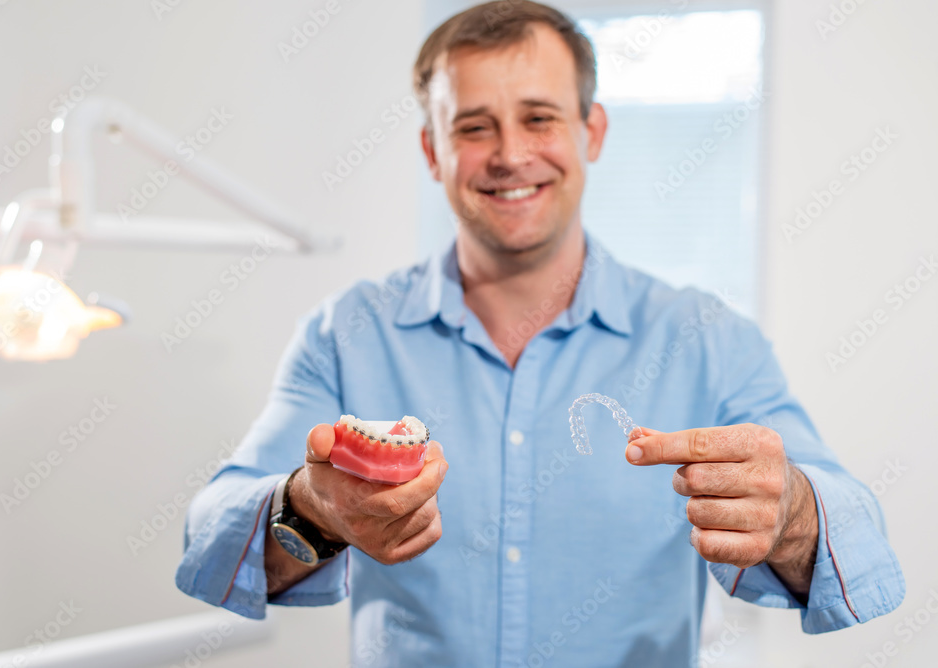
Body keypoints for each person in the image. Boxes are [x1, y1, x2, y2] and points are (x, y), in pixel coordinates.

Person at [175, 2, 904, 665]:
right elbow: (209, 538)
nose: (509, 154)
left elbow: (860, 535)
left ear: (591, 132)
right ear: (432, 150)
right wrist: (311, 509)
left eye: (539, 117)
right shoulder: (344, 333)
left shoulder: (707, 337)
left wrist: (794, 512)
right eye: (472, 126)